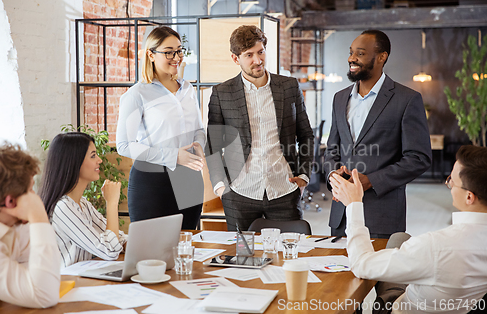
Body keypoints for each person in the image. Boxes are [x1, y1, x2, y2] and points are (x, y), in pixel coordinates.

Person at [330, 145, 487, 314]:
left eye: (452, 181)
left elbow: (361, 264)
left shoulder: (437, 246)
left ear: (469, 196)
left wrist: (354, 203)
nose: (447, 183)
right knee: (400, 238)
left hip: (401, 309)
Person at [324, 30, 432, 239]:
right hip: (341, 217)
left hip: (382, 215)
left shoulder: (407, 99)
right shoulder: (339, 98)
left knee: (376, 272)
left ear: (382, 57)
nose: (352, 58)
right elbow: (332, 149)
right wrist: (332, 176)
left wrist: (371, 180)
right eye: (351, 52)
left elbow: (419, 159)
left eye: (360, 53)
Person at [205, 25, 314, 231]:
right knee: (242, 257)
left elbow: (306, 135)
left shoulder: (289, 86)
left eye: (260, 52)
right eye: (249, 55)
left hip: (284, 189)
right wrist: (220, 186)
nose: (258, 60)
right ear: (235, 59)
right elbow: (212, 144)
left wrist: (303, 176)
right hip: (239, 193)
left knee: (287, 254)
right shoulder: (222, 93)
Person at [116, 26, 205, 229]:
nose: (176, 57)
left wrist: (199, 145)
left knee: (186, 248)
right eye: (168, 52)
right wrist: (174, 156)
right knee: (152, 253)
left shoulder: (188, 89)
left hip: (189, 179)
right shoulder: (136, 94)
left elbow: (199, 129)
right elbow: (124, 145)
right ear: (151, 55)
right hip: (152, 182)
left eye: (179, 50)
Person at [0, 143, 60, 308]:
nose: (35, 196)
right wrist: (38, 215)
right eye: (30, 189)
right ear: (10, 201)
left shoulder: (14, 226)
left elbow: (46, 273)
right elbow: (44, 295)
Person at [39, 132, 127, 268]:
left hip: (84, 279)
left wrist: (132, 242)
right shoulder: (63, 207)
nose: (100, 160)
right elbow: (110, 250)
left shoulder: (82, 204)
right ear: (74, 161)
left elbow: (114, 238)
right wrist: (112, 203)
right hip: (67, 284)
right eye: (93, 156)